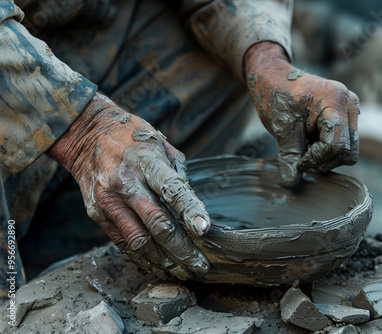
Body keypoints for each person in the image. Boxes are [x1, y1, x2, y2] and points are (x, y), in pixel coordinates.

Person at [0, 0, 360, 302]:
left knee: (227, 51)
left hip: (85, 24)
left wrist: (266, 59)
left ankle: (78, 255)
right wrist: (84, 129)